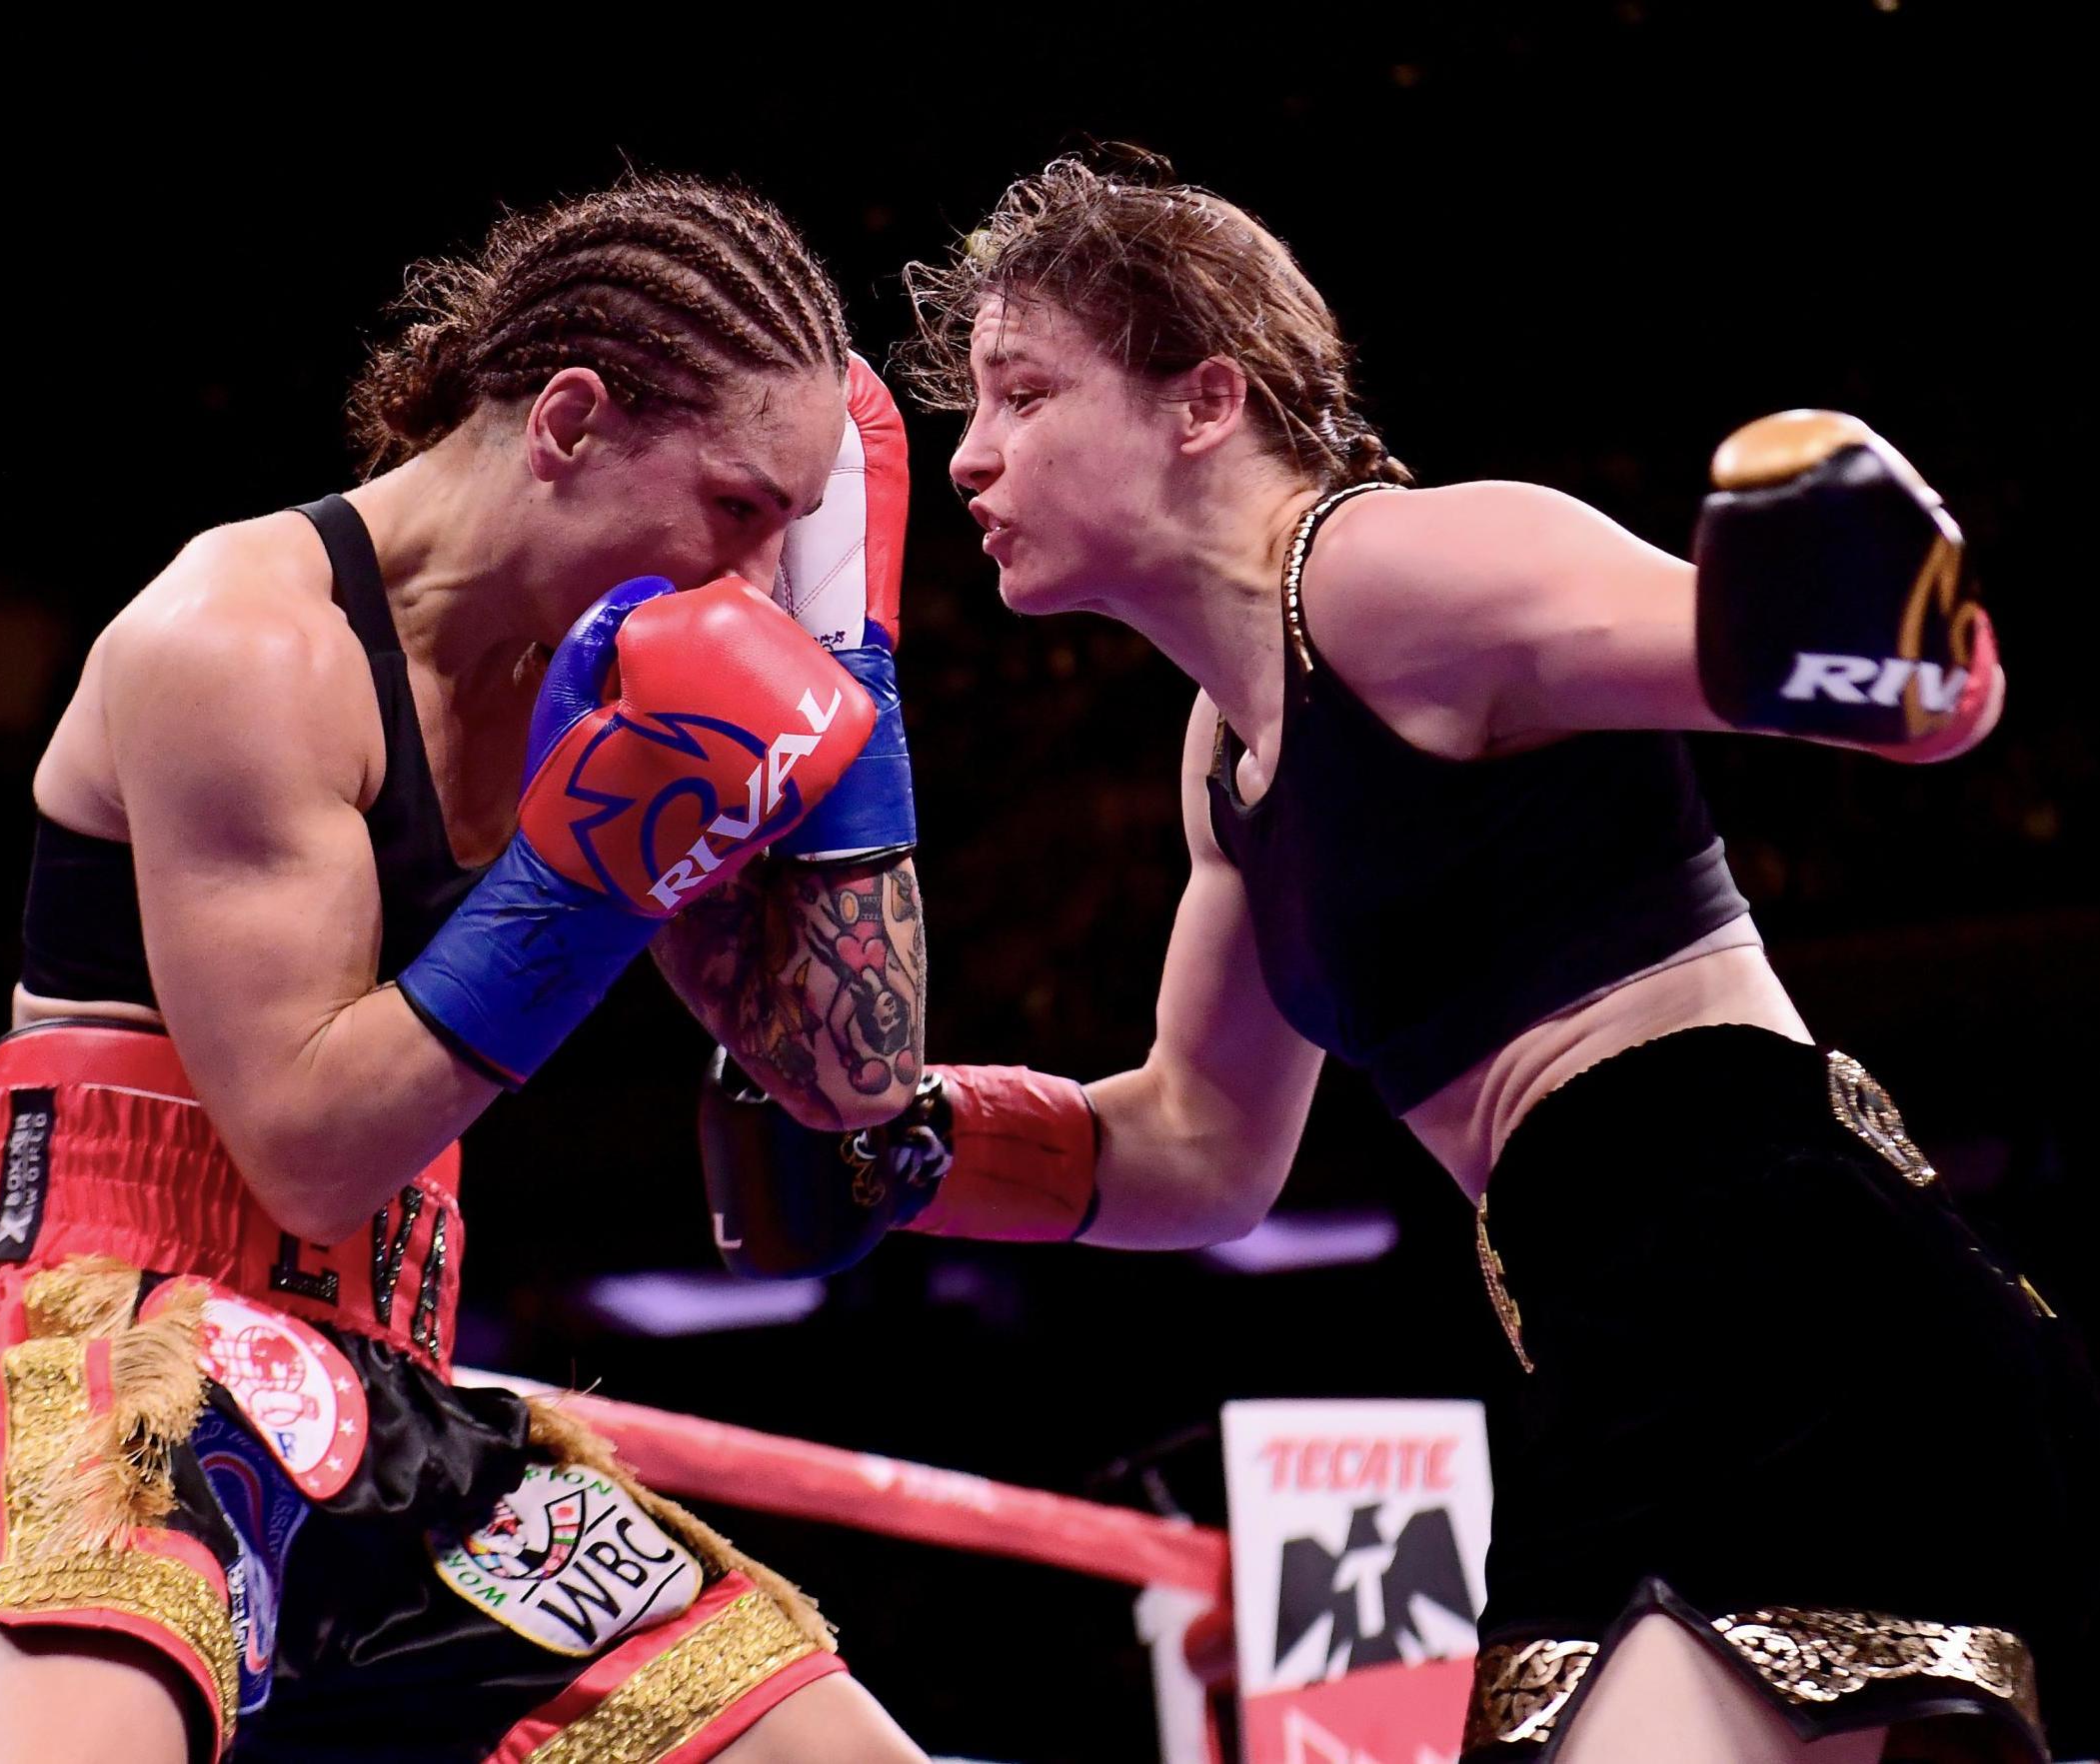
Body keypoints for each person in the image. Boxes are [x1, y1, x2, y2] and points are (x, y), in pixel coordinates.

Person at [701, 156, 2097, 1763]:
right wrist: (905, 1143)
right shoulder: (1227, 749)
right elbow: (1200, 1148)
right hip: (1626, 1331)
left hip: (1768, 1280)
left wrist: (1876, 633)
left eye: (1022, 392)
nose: (970, 458)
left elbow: (1809, 661)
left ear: (1202, 398)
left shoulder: (1388, 572)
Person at [0, 175, 929, 1764]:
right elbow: (310, 1148)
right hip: (117, 1333)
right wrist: (590, 867)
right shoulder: (241, 643)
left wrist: (857, 732)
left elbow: (841, 1077)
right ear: (570, 420)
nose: (756, 577)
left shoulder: (614, 678)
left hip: (397, 1393)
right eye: (738, 508)